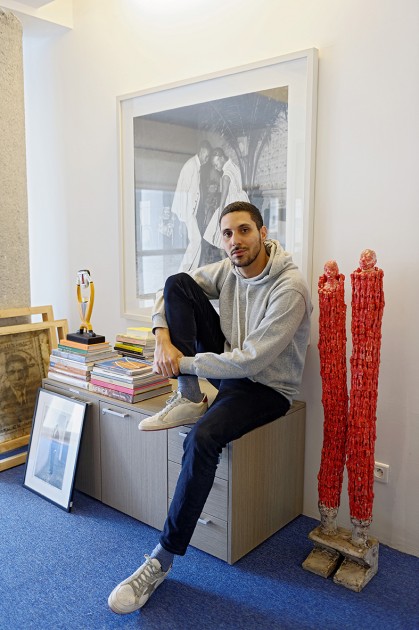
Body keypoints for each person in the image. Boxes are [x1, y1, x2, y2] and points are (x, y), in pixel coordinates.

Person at [108, 201, 312, 615]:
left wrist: (181, 361)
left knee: (203, 438)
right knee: (178, 282)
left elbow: (253, 360)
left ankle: (159, 561)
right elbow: (172, 293)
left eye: (243, 231)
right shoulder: (229, 270)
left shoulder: (289, 288)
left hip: (266, 387)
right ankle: (187, 395)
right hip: (227, 373)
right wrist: (161, 336)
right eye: (227, 234)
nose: (235, 241)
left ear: (263, 232)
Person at [171, 140, 212, 272]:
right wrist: (183, 217)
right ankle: (184, 271)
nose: (207, 158)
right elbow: (183, 191)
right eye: (206, 155)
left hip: (190, 212)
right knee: (196, 240)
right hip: (186, 211)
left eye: (208, 156)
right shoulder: (191, 166)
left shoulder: (196, 166)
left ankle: (188, 271)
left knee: (196, 241)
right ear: (201, 151)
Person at [203, 148, 249, 248]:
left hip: (232, 205)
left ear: (221, 158)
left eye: (216, 164)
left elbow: (223, 201)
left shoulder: (225, 176)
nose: (216, 168)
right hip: (243, 202)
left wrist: (220, 215)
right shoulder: (234, 166)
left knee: (225, 236)